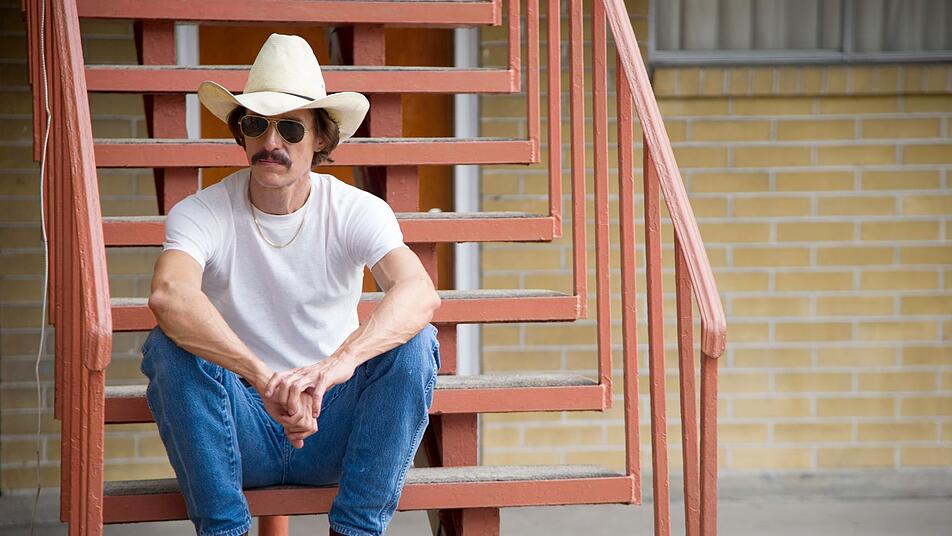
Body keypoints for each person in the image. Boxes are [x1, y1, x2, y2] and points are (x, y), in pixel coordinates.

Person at [141, 33, 442, 536]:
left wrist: (334, 367)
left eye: (290, 128)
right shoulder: (201, 212)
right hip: (238, 429)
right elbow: (169, 294)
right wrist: (264, 380)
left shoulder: (355, 209)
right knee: (167, 347)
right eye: (256, 125)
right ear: (241, 134)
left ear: (321, 138)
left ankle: (355, 531)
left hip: (332, 424)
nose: (271, 143)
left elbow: (418, 291)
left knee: (416, 343)